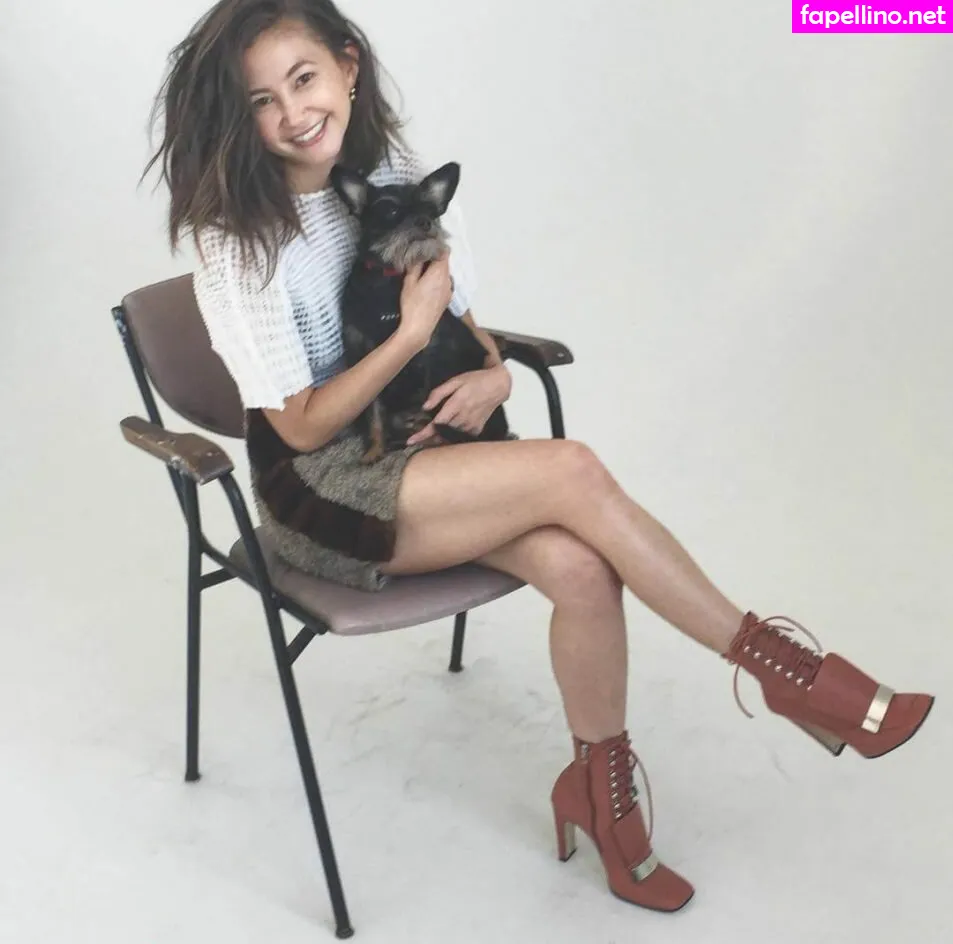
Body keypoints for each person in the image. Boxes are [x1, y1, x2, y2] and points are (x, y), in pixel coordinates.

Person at [145, 0, 934, 914]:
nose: (291, 113)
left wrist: (492, 375)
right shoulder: (236, 238)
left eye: (304, 78)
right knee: (573, 469)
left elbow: (466, 325)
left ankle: (599, 796)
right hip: (323, 491)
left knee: (582, 569)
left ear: (348, 66)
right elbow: (304, 430)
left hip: (430, 450)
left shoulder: (394, 175)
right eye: (260, 101)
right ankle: (789, 676)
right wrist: (407, 340)